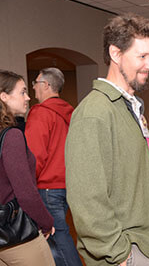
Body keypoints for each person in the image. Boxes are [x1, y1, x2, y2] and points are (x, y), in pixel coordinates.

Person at [65, 13, 149, 266]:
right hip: (124, 254)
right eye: (143, 56)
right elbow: (87, 198)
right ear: (115, 54)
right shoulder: (94, 113)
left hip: (145, 246)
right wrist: (120, 253)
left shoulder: (129, 107)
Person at [25, 67, 81, 266]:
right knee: (56, 241)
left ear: (46, 85)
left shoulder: (40, 113)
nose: (33, 89)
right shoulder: (72, 112)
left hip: (47, 187)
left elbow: (34, 156)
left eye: (35, 84)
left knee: (58, 239)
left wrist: (27, 188)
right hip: (67, 185)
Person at [0, 70, 55, 266]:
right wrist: (46, 222)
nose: (28, 97)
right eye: (22, 92)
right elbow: (26, 192)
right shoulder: (12, 137)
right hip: (15, 236)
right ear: (4, 96)